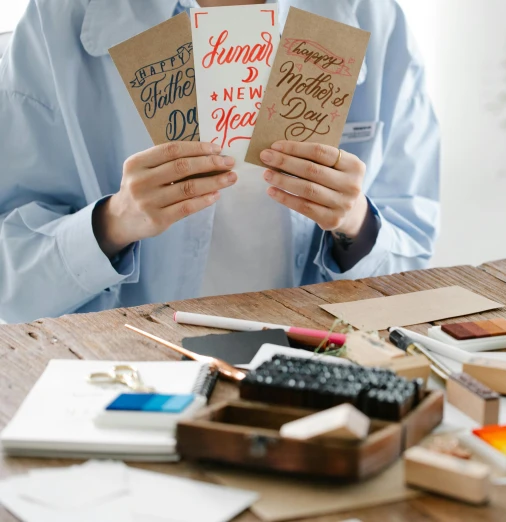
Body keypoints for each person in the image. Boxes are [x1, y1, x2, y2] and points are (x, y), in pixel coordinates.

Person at [0, 0, 440, 324]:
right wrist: (113, 223)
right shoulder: (56, 19)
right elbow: (11, 284)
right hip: (124, 364)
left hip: (311, 360)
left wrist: (357, 225)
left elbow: (412, 260)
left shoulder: (374, 16)